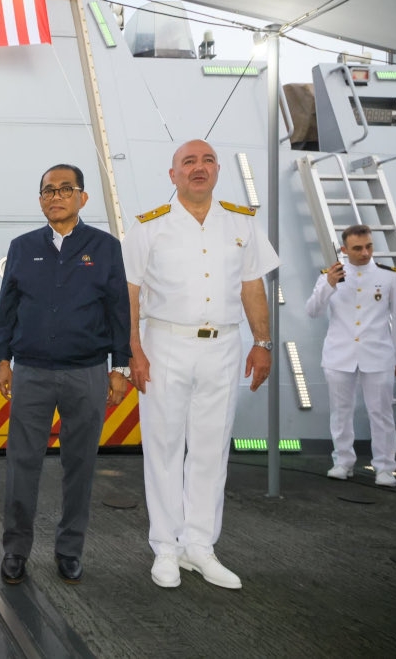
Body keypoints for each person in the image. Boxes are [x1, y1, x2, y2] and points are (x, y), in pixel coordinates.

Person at [121, 139, 279, 590]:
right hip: (165, 344)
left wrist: (262, 341)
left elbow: (252, 286)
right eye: (188, 161)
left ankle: (200, 547)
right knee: (165, 448)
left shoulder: (242, 224)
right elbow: (129, 293)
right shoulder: (149, 227)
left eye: (207, 160)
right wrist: (133, 348)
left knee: (211, 450)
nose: (199, 167)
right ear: (172, 175)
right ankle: (166, 549)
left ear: (217, 171)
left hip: (224, 347)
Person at [0, 164, 131, 585]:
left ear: (82, 198)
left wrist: (119, 366)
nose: (56, 196)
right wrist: (4, 360)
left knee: (80, 465)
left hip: (86, 373)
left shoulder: (105, 247)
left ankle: (69, 550)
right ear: (40, 200)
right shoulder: (22, 247)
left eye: (65, 189)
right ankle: (16, 550)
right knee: (22, 465)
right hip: (32, 373)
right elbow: (8, 308)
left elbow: (118, 309)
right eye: (48, 190)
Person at [305, 224, 396, 487]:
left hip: (378, 353)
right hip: (339, 354)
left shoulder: (389, 277)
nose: (365, 253)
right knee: (340, 411)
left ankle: (384, 467)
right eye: (358, 248)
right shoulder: (329, 277)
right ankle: (343, 461)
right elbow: (312, 310)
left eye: (369, 246)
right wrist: (329, 286)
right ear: (344, 250)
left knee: (381, 412)